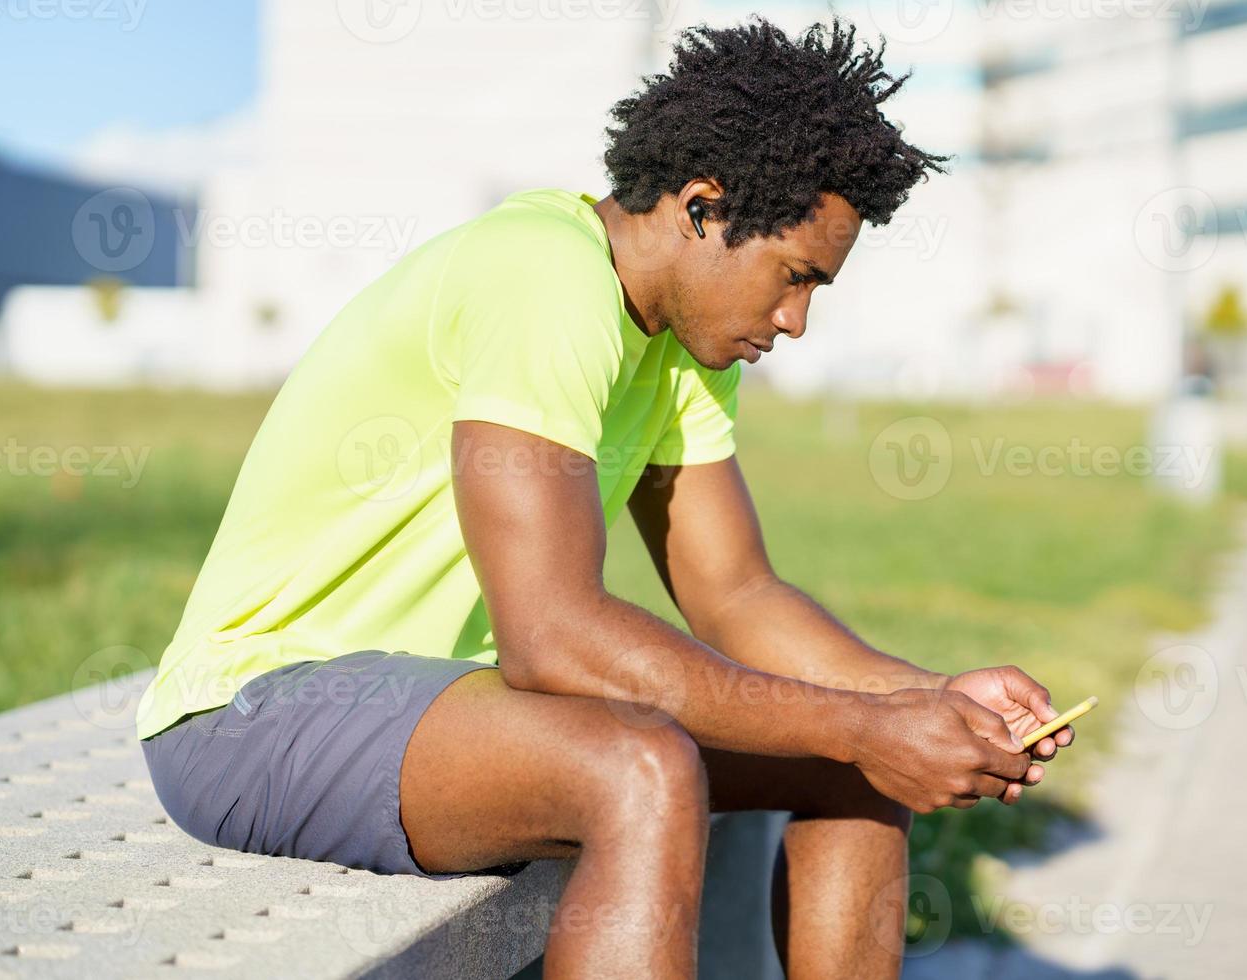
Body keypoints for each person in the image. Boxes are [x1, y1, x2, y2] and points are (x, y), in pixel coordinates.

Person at [135, 15, 1074, 978]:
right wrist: (863, 718)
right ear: (704, 208)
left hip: (451, 710)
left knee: (856, 768)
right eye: (793, 278)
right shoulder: (545, 274)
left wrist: (922, 702)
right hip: (259, 714)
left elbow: (738, 594)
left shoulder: (682, 343)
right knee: (640, 769)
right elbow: (555, 635)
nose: (796, 320)